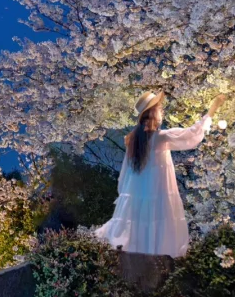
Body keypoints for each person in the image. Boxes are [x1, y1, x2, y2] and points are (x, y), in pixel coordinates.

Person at [94, 89, 226, 258]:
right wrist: (212, 110)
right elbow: (191, 135)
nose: (161, 110)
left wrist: (124, 194)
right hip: (158, 191)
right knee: (158, 223)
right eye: (159, 108)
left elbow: (125, 172)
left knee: (142, 226)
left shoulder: (133, 139)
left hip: (138, 193)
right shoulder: (160, 138)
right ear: (152, 113)